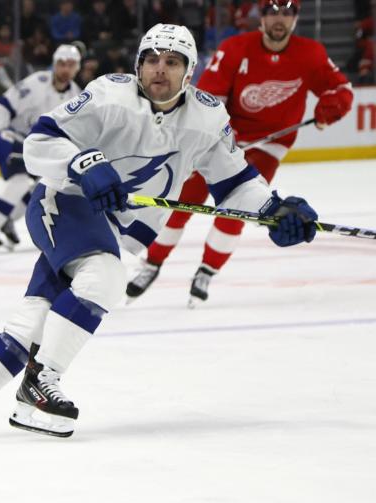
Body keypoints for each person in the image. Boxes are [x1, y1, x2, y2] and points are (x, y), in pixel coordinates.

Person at [0, 24, 320, 443]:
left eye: (172, 62)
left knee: (35, 318)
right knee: (106, 277)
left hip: (109, 225)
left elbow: (236, 183)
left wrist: (273, 209)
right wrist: (84, 163)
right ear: (137, 64)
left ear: (190, 72)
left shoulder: (207, 118)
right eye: (150, 59)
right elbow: (41, 140)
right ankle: (40, 381)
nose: (158, 70)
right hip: (63, 202)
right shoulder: (110, 95)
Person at [126, 0, 353, 306]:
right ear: (261, 16)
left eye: (287, 12)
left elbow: (341, 89)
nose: (279, 18)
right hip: (220, 139)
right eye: (273, 11)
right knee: (182, 201)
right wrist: (213, 139)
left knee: (239, 209)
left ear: (295, 18)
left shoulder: (311, 54)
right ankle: (152, 263)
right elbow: (206, 99)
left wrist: (334, 104)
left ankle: (207, 269)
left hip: (269, 145)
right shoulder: (235, 48)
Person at [0, 44, 82, 253]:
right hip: (14, 140)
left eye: (70, 65)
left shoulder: (76, 95)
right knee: (20, 180)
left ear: (77, 67)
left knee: (37, 192)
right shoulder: (36, 83)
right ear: (54, 64)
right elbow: (1, 106)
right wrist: (0, 133)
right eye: (61, 64)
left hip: (40, 149)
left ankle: (3, 220)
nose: (65, 69)